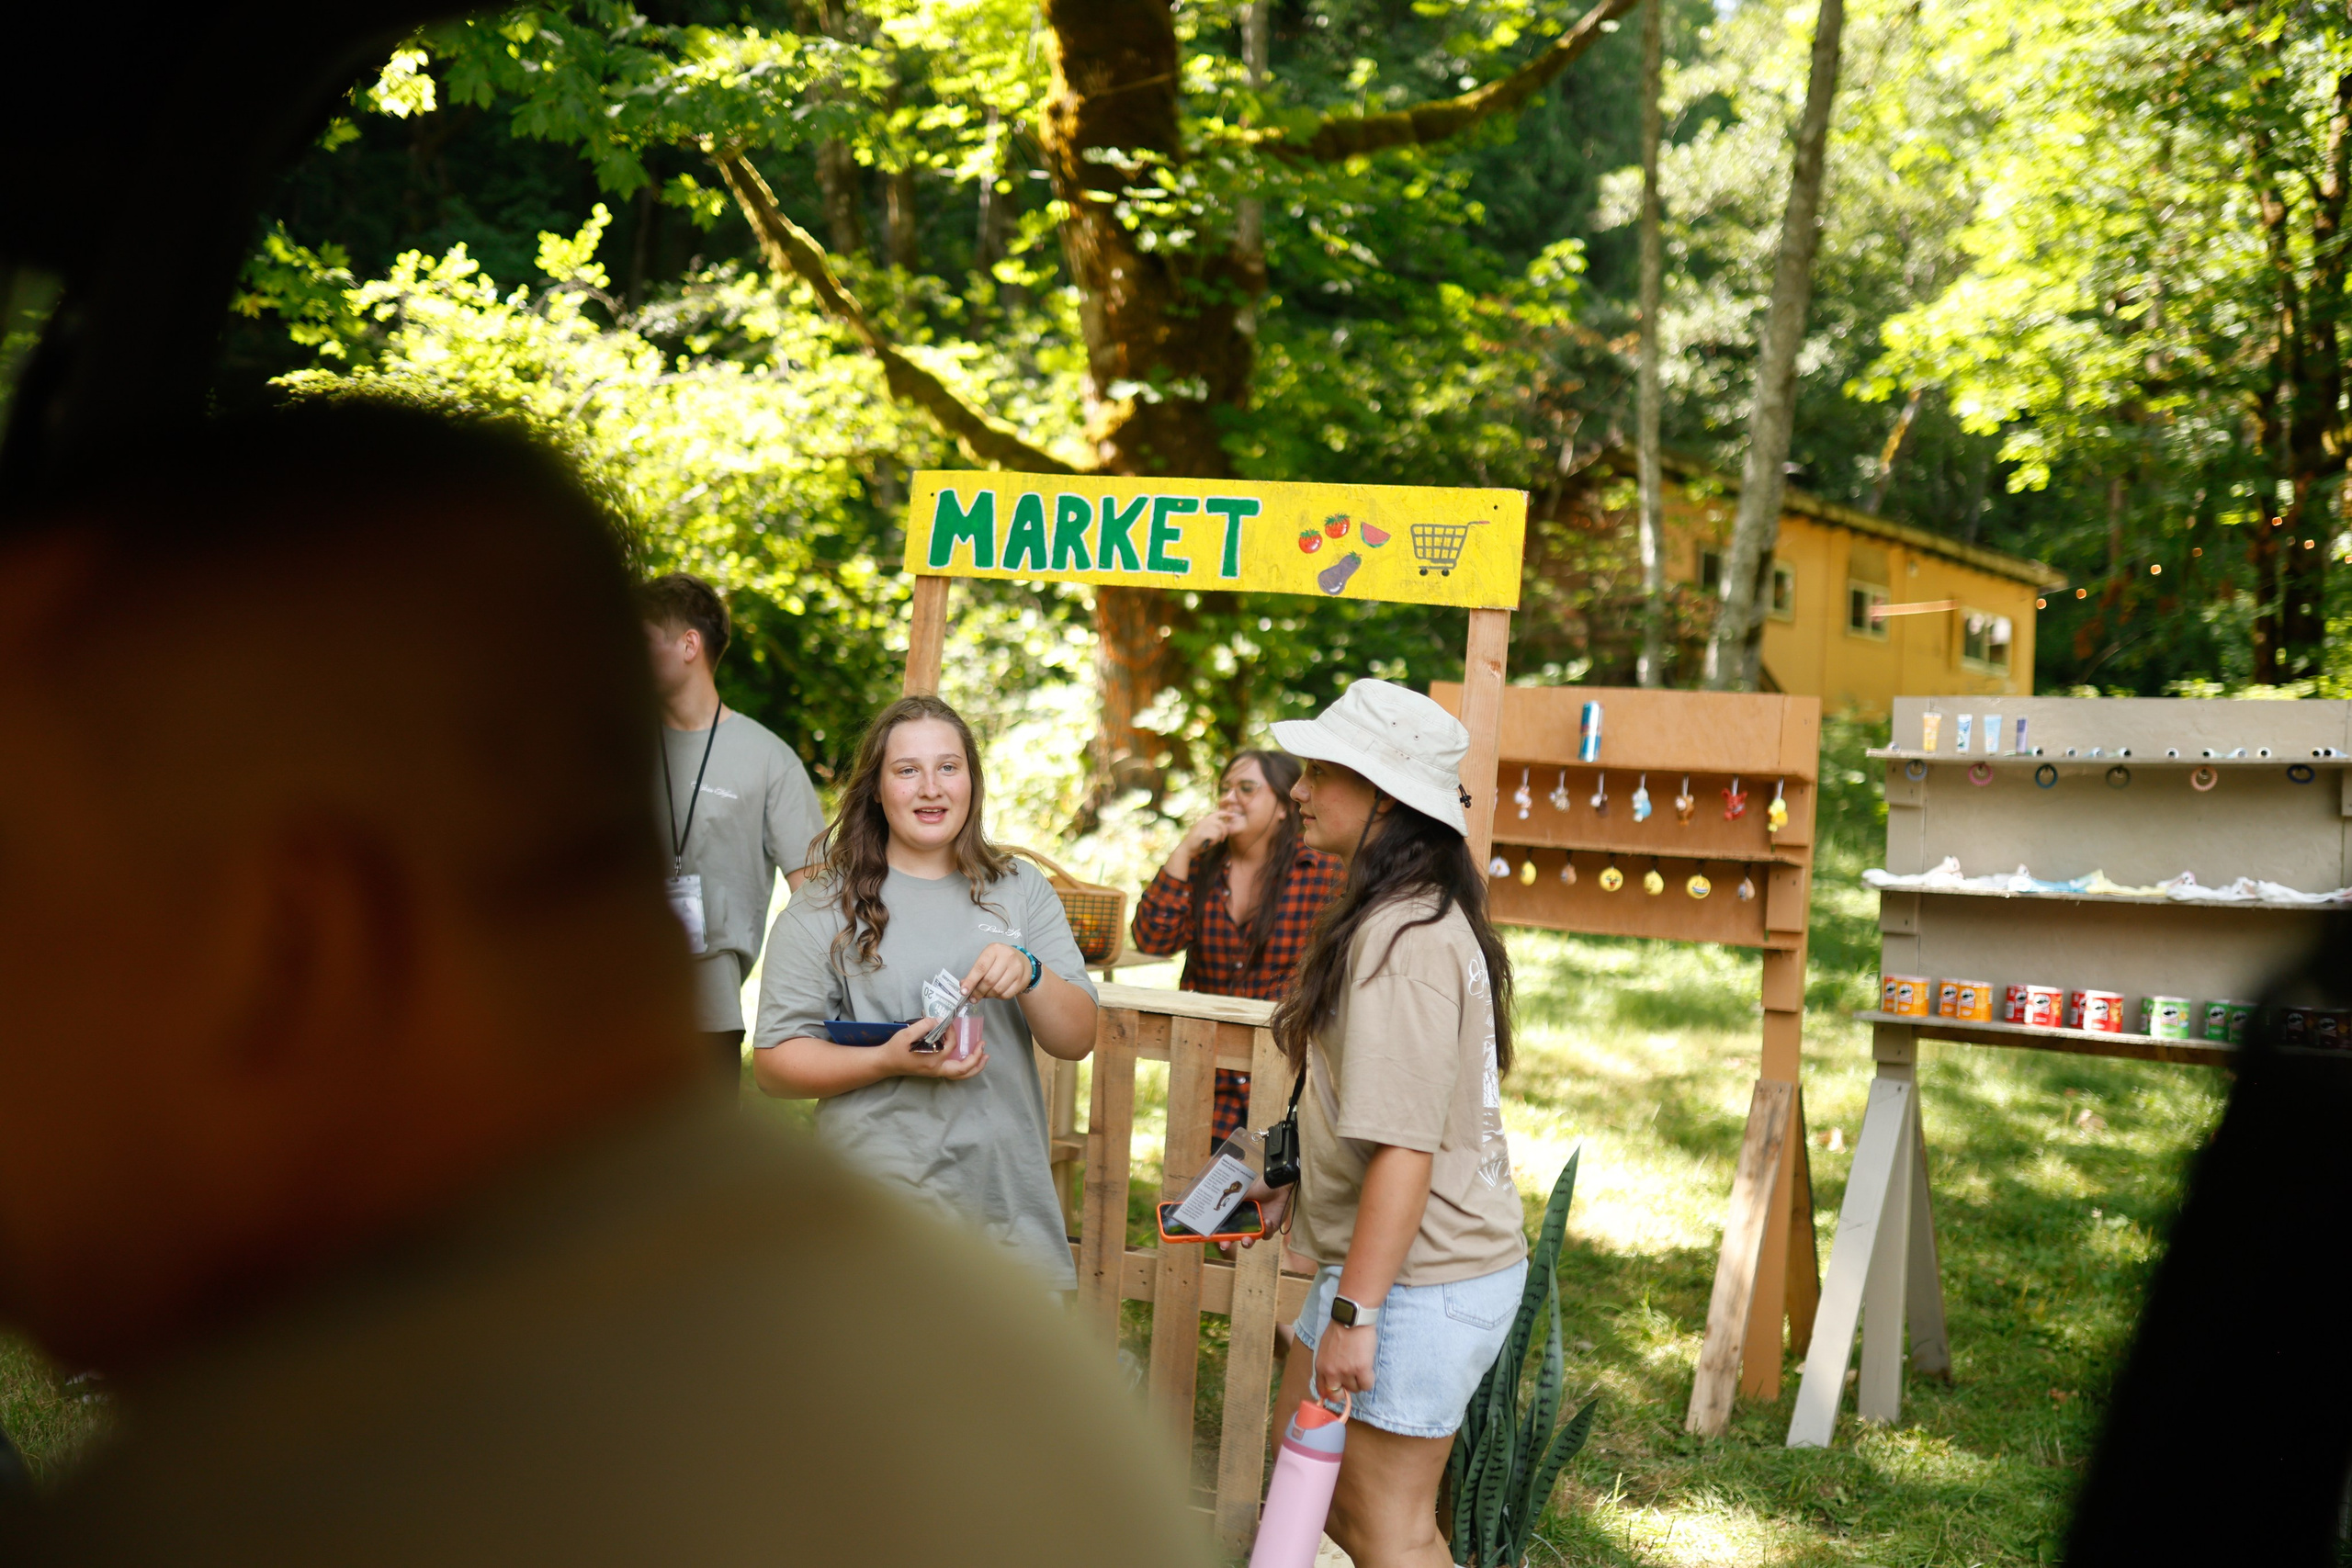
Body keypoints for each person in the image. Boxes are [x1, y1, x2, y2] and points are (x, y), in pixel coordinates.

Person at [0, 401, 1205, 1567]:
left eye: (32, 886)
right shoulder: (991, 1383)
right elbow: (781, 1055)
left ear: (299, 930)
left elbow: (1074, 1029)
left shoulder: (244, 1510)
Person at [1247, 679, 1528, 1568]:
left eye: (1322, 770)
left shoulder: (1404, 941)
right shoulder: (1405, 916)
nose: (1297, 788)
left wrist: (1356, 1315)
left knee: (1388, 1534)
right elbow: (1386, 1114)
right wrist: (1286, 1172)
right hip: (1393, 1273)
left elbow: (1406, 1150)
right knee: (1337, 1510)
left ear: (1385, 797)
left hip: (1418, 1282)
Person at [752, 695, 1099, 1292]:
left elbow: (1078, 1038)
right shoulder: (823, 904)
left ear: (972, 780)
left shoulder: (1019, 888)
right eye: (907, 769)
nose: (931, 788)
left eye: (949, 766)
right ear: (877, 788)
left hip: (1004, 1208)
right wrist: (888, 1059)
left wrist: (1032, 972)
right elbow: (775, 1065)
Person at [640, 572, 827, 1081]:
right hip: (602, 1015)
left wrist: (796, 1020)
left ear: (688, 644)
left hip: (706, 1020)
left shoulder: (769, 760)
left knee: (696, 1163)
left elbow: (816, 899)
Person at [1131, 750, 1344, 1143]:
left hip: (1287, 1071)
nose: (1230, 798)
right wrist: (1184, 851)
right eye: (1225, 789)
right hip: (1208, 1074)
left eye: (1246, 788)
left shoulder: (1320, 870)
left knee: (1277, 1194)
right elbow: (1152, 938)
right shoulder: (1202, 865)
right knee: (1202, 1196)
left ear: (1283, 806)